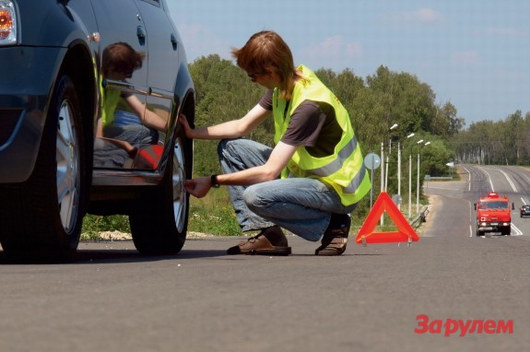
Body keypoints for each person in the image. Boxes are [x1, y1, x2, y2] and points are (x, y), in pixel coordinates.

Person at [179, 30, 371, 256]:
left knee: (255, 196)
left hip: (337, 190)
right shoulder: (283, 86)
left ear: (269, 71)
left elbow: (269, 172)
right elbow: (242, 126)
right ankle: (271, 236)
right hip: (306, 178)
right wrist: (192, 133)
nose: (253, 81)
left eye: (253, 76)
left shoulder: (309, 106)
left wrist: (212, 181)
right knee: (231, 148)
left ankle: (333, 224)